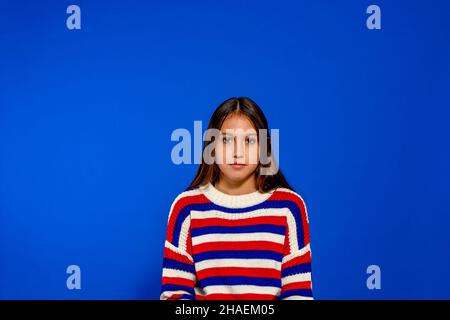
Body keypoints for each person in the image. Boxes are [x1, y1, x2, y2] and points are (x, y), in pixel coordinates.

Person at [160, 97, 313, 300]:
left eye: (249, 140)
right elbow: (174, 295)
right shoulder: (186, 208)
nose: (237, 152)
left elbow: (298, 294)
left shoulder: (289, 208)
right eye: (226, 140)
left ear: (264, 147)